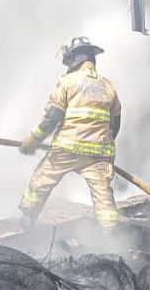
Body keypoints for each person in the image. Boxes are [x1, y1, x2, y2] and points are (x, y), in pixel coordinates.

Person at [18, 36, 122, 229]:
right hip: (99, 153)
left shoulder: (67, 82)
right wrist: (101, 147)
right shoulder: (108, 85)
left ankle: (27, 221)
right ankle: (111, 235)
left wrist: (33, 139)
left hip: (67, 148)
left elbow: (52, 117)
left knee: (42, 180)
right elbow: (115, 123)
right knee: (103, 197)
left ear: (74, 59)